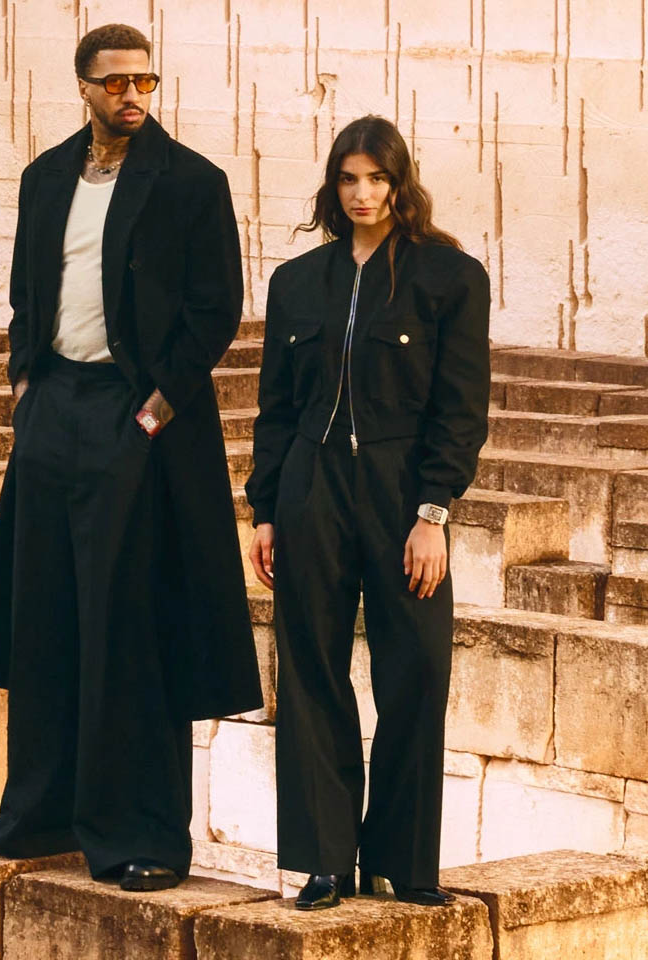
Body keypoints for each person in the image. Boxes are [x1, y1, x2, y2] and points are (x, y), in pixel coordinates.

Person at [0, 23, 262, 892]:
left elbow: (215, 309)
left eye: (145, 82)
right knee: (44, 613)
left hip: (140, 419)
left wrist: (157, 408)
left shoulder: (191, 181)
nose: (133, 95)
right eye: (117, 82)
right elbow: (28, 292)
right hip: (55, 408)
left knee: (131, 624)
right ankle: (37, 814)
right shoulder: (46, 177)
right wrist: (26, 386)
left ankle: (143, 836)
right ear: (84, 87)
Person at [245, 116, 490, 910]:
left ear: (399, 183)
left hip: (402, 491)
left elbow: (461, 409)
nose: (362, 194)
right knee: (311, 669)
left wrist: (434, 512)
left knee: (416, 667)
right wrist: (265, 510)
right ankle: (323, 860)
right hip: (310, 488)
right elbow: (276, 409)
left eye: (376, 178)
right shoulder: (297, 283)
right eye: (349, 179)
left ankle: (401, 862)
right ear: (333, 186)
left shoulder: (449, 278)